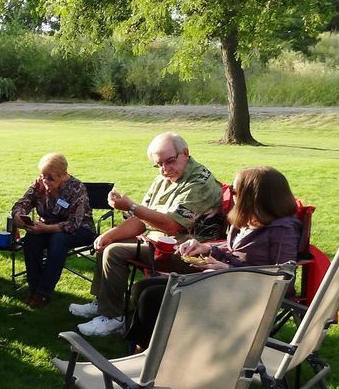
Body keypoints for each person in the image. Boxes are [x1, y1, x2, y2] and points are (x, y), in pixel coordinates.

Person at [125, 166, 301, 349]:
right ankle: (154, 347)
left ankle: (148, 354)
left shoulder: (283, 229)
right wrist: (207, 250)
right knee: (143, 287)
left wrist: (228, 271)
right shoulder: (248, 220)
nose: (231, 195)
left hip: (243, 297)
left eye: (234, 191)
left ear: (253, 196)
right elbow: (235, 255)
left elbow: (283, 281)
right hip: (222, 283)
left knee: (152, 296)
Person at [68, 132, 224, 336]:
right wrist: (112, 233)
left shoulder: (199, 182)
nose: (164, 169)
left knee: (115, 252)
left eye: (169, 161)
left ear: (185, 153)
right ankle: (103, 303)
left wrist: (131, 206)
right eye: (159, 164)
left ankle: (113, 318)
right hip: (160, 243)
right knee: (107, 243)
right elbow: (142, 220)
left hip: (189, 253)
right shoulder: (163, 178)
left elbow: (171, 225)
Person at [10, 153, 95, 309]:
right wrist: (18, 216)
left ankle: (43, 293)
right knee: (31, 240)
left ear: (63, 175)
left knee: (59, 240)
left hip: (80, 229)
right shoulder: (39, 184)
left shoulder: (77, 188)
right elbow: (22, 203)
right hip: (46, 228)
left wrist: (46, 229)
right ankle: (34, 289)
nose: (45, 181)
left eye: (51, 178)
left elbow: (74, 223)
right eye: (43, 176)